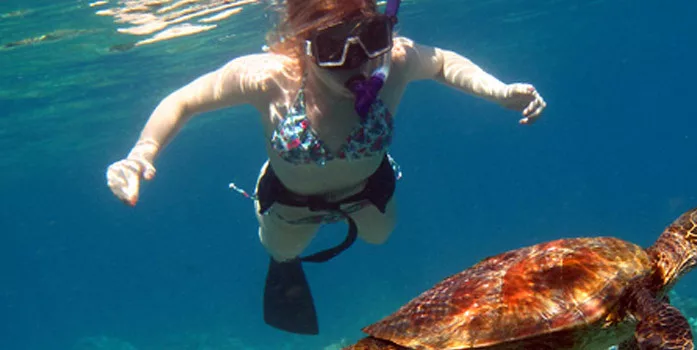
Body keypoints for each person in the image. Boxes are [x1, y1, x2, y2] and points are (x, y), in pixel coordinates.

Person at [104, 0, 546, 336]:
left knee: (378, 237)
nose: (358, 62)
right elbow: (182, 100)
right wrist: (141, 154)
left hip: (368, 186)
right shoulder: (268, 78)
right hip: (291, 203)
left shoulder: (393, 63)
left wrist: (499, 91)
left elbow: (444, 62)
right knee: (281, 250)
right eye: (334, 48)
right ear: (304, 46)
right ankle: (276, 241)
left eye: (371, 39)